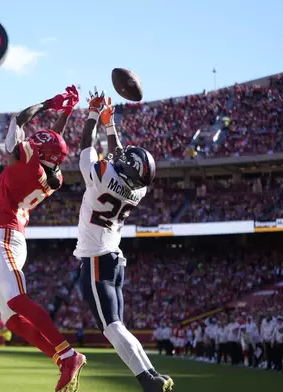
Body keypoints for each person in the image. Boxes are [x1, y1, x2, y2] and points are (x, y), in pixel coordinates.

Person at [0, 86, 86, 392]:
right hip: (8, 237)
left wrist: (49, 104)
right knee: (12, 320)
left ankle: (68, 354)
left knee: (18, 301)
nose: (31, 144)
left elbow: (18, 120)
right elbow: (55, 146)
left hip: (5, 236)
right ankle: (61, 357)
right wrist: (66, 114)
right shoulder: (53, 177)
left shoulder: (26, 160)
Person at [74, 88, 172, 392]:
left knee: (112, 327)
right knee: (117, 324)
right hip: (115, 259)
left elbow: (84, 147)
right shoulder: (138, 189)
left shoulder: (103, 174)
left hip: (96, 259)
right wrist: (111, 124)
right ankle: (153, 374)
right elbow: (120, 156)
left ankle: (147, 380)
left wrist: (93, 116)